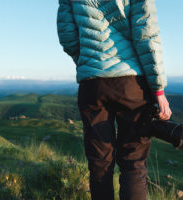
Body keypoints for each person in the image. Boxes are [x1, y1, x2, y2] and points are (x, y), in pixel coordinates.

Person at [57, 0, 172, 199]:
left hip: (92, 85)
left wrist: (87, 62)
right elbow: (147, 34)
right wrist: (158, 89)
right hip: (131, 85)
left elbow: (67, 36)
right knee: (134, 163)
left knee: (99, 162)